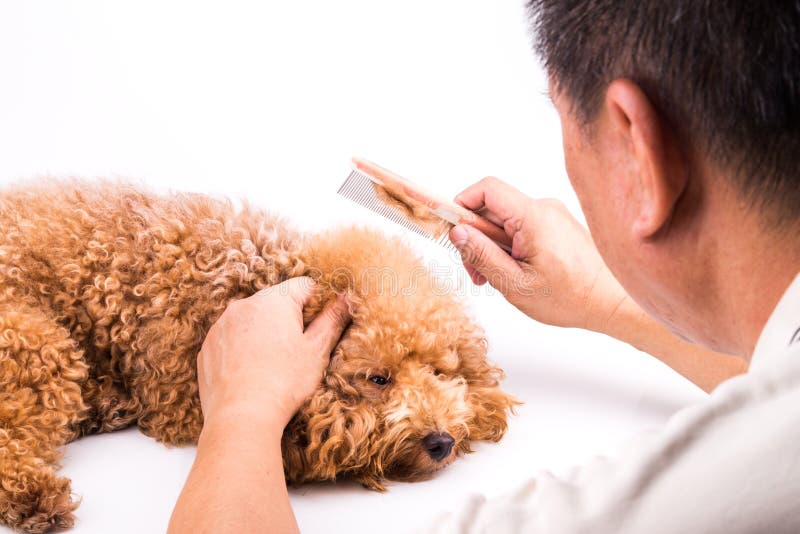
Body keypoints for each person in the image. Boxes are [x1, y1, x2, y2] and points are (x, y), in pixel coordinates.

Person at [169, 1, 800, 533]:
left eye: (563, 119)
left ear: (638, 151)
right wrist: (602, 300)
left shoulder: (695, 497)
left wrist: (244, 414)